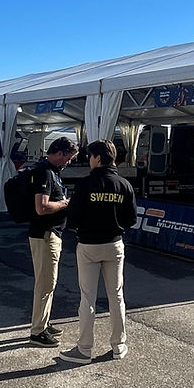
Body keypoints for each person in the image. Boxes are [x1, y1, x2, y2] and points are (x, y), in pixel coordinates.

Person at [58, 139, 137, 364]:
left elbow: (72, 219)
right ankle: (119, 345)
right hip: (114, 244)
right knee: (117, 296)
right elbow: (131, 219)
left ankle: (84, 349)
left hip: (89, 245)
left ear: (98, 158)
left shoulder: (84, 185)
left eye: (90, 156)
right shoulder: (124, 184)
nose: (89, 160)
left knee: (87, 299)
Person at [27, 136, 79, 348]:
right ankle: (37, 331)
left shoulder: (49, 172)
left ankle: (44, 322)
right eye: (68, 158)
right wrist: (65, 203)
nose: (68, 162)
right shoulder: (45, 173)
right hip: (45, 234)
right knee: (45, 283)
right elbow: (42, 207)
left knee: (48, 282)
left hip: (49, 233)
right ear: (59, 154)